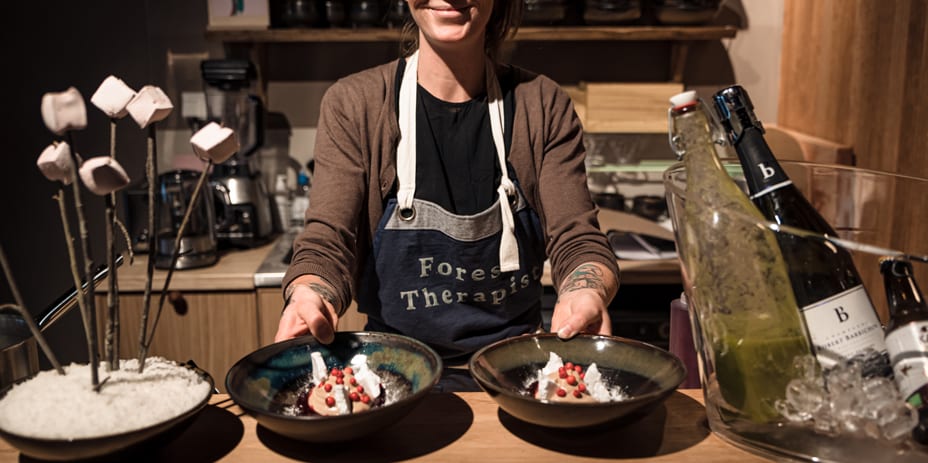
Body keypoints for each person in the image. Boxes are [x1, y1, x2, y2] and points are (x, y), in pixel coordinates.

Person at [276, 0, 620, 366]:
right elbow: (328, 242)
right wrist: (308, 294)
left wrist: (586, 292)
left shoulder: (542, 104)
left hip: (520, 372)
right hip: (392, 376)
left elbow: (578, 239)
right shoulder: (355, 105)